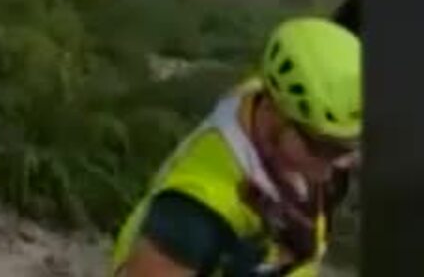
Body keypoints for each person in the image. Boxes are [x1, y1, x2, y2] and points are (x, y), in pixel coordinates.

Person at [113, 17, 362, 277]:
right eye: (322, 147)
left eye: (351, 146)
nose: (338, 165)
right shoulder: (197, 212)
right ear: (272, 112)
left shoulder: (269, 108)